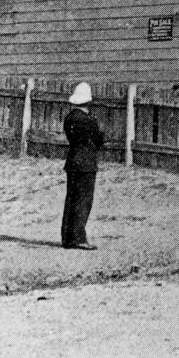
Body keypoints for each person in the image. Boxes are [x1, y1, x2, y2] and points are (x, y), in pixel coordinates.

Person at [61, 82, 105, 250]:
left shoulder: (69, 118)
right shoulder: (89, 120)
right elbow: (99, 140)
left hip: (72, 161)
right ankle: (79, 238)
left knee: (71, 200)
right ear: (88, 102)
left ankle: (67, 238)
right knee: (83, 201)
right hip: (86, 163)